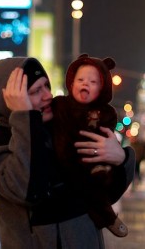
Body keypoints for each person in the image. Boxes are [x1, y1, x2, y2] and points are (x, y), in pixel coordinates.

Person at [0, 57, 135, 248]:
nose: (47, 96)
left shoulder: (61, 127)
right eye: (36, 91)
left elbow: (106, 192)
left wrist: (121, 159)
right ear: (11, 99)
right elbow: (27, 190)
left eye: (46, 86)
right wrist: (24, 117)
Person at [51, 54, 127, 237]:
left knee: (97, 182)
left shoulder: (105, 113)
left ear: (102, 89)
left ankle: (105, 215)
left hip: (93, 161)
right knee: (81, 183)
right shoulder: (60, 105)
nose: (86, 84)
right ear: (71, 82)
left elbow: (104, 136)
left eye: (94, 82)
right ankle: (107, 217)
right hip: (65, 158)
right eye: (81, 79)